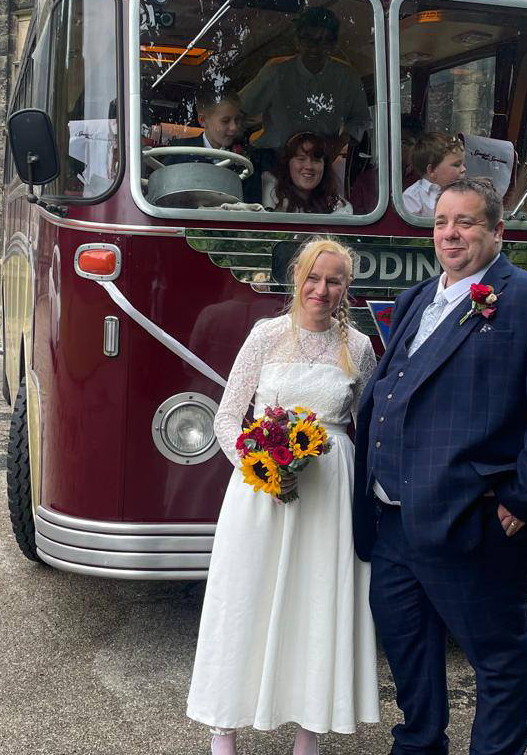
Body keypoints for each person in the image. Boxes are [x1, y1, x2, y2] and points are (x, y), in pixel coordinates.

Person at [354, 178, 527, 755]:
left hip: (473, 521)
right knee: (409, 651)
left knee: (499, 660)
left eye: (465, 222)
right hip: (393, 522)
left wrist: (522, 499)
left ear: (496, 232)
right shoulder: (417, 299)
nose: (450, 233)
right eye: (441, 222)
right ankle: (418, 746)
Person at [187, 238, 381, 755]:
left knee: (318, 598)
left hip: (330, 492)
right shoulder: (266, 336)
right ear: (297, 278)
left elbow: (370, 426)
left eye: (334, 280)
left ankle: (308, 730)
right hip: (263, 491)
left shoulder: (358, 348)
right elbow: (229, 417)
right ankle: (223, 729)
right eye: (314, 278)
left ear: (346, 288)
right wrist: (258, 465)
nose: (322, 289)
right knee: (247, 596)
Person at [239, 7, 370, 201]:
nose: (314, 47)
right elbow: (240, 109)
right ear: (297, 40)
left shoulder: (347, 77)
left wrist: (336, 145)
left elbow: (360, 119)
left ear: (333, 44)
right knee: (269, 215)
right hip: (272, 161)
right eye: (308, 39)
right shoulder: (275, 72)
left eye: (323, 41)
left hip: (316, 163)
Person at [265, 132, 353, 215]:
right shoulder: (271, 202)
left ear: (325, 167)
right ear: (287, 165)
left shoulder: (341, 208)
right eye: (301, 159)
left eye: (316, 160)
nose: (309, 166)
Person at [401, 132, 467, 216]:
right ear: (431, 170)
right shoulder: (413, 197)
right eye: (456, 165)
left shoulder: (464, 192)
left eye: (464, 164)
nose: (464, 169)